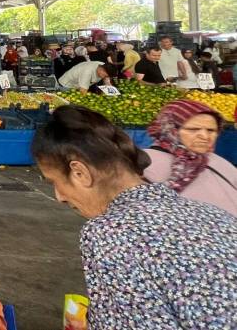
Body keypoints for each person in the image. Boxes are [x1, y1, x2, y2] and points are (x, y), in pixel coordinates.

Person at [31, 105, 237, 328]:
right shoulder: (211, 213)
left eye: (55, 182)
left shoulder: (109, 232)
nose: (59, 197)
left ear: (80, 173)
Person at [143, 100, 237, 216]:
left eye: (211, 130)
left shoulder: (217, 161)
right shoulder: (145, 162)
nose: (205, 136)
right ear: (170, 130)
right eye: (193, 129)